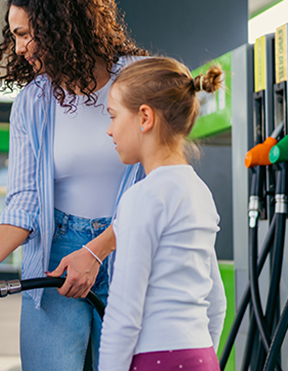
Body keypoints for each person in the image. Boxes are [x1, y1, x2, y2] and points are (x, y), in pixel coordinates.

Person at [0, 0, 148, 369]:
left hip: (131, 251)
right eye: (14, 35)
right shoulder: (33, 102)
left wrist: (98, 250)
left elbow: (161, 186)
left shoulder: (139, 80)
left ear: (62, 25)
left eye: (24, 34)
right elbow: (24, 203)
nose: (17, 47)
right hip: (55, 258)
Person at [98, 58, 227, 371]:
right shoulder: (200, 192)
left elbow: (124, 313)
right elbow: (217, 302)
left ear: (145, 117)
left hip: (155, 359)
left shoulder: (141, 198)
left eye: (114, 116)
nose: (109, 130)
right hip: (202, 356)